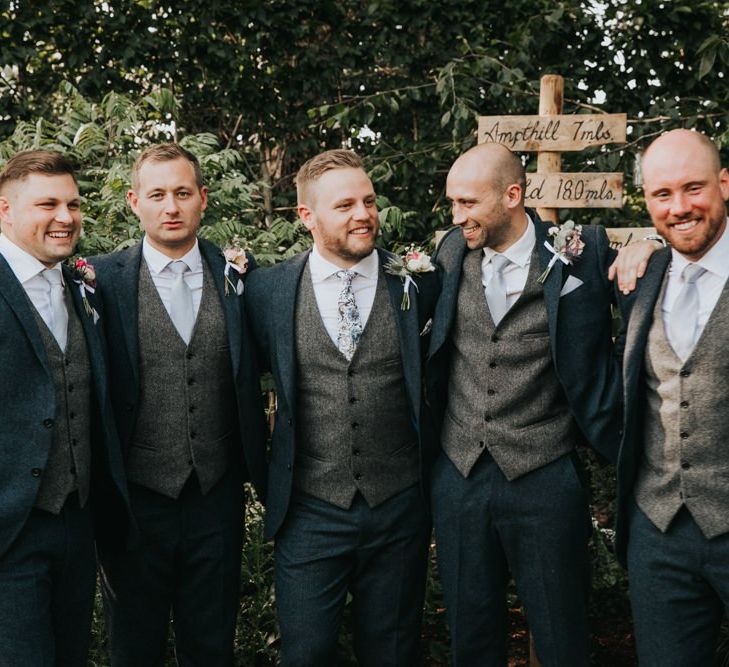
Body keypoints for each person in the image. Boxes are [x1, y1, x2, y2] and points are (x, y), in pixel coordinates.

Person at [426, 142, 658, 666]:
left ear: (512, 196)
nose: (456, 216)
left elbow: (666, 262)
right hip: (458, 475)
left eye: (467, 203)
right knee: (471, 637)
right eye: (453, 203)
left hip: (545, 475)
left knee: (562, 636)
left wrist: (649, 241)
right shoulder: (449, 251)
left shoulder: (583, 248)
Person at [246, 149, 439, 666]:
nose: (363, 214)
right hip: (309, 509)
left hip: (399, 506)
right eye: (345, 205)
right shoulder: (266, 291)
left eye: (369, 201)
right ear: (307, 217)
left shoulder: (419, 281)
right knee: (305, 653)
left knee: (394, 653)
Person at [92, 143, 266, 666]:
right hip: (135, 499)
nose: (171, 206)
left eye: (183, 193)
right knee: (133, 645)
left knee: (211, 644)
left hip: (216, 495)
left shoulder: (242, 277)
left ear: (203, 199)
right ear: (133, 202)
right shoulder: (99, 282)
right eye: (158, 194)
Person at [0, 150, 134, 665]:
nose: (65, 217)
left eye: (73, 204)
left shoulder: (80, 282)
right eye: (47, 204)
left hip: (77, 523)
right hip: (10, 529)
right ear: (6, 211)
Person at [615, 129, 729, 666]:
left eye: (693, 188)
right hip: (658, 530)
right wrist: (647, 242)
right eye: (662, 194)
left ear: (724, 183)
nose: (679, 207)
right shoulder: (643, 273)